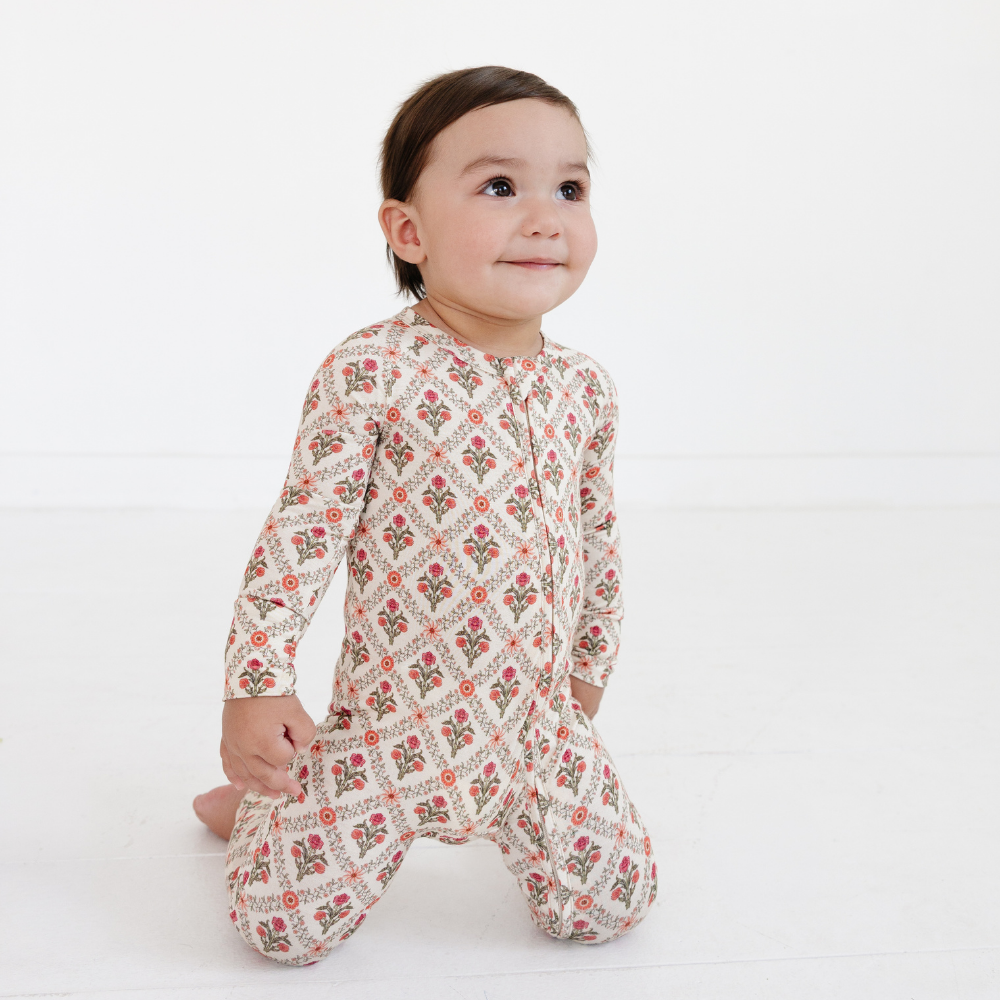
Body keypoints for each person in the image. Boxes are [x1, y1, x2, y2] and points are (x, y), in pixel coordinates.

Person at [193, 65, 657, 965]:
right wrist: (256, 683)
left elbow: (597, 544)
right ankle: (266, 805)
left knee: (610, 907)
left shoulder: (584, 390)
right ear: (409, 231)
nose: (546, 217)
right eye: (499, 186)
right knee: (281, 932)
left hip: (535, 727)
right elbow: (302, 535)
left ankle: (507, 812)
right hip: (394, 730)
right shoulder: (373, 372)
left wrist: (587, 669)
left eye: (571, 187)